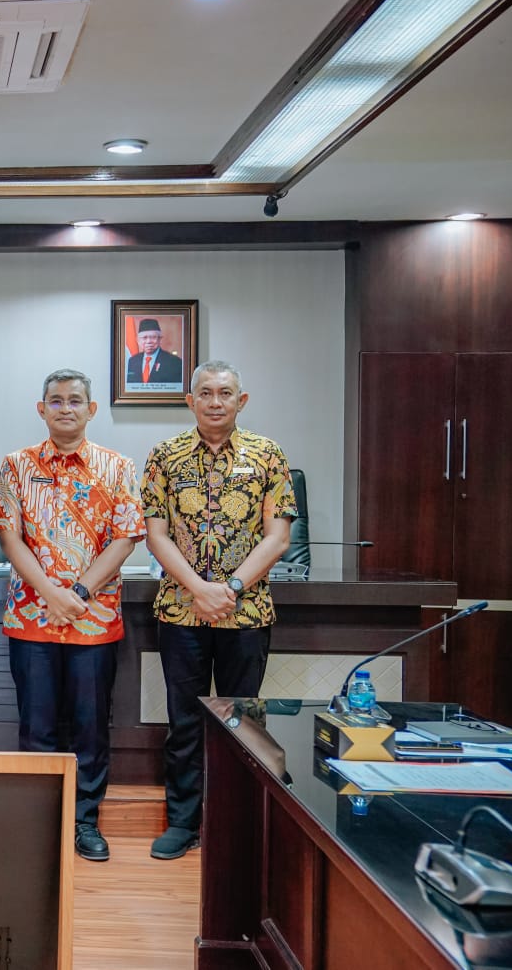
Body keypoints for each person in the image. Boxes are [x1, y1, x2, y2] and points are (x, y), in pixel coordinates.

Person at [142, 360, 297, 860]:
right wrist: (198, 589)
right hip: (180, 612)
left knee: (242, 722)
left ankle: (235, 824)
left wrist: (228, 588)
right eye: (205, 393)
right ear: (190, 401)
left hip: (245, 612)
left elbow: (278, 537)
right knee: (184, 722)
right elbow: (155, 534)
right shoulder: (164, 456)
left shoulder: (268, 455)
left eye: (225, 393)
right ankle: (183, 823)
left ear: (240, 401)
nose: (215, 402)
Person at [0, 369, 144, 862]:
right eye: (55, 400)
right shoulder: (16, 466)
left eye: (75, 400)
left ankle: (84, 821)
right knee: (36, 726)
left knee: (89, 727)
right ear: (41, 409)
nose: (65, 408)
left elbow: (125, 538)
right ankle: (41, 822)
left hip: (93, 618)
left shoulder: (118, 467)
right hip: (32, 618)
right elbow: (9, 538)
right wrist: (49, 593)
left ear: (91, 409)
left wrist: (76, 592)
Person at [125, 318, 184, 385]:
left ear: (160, 339)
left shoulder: (174, 362)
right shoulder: (133, 361)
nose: (149, 341)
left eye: (153, 337)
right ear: (138, 340)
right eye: (144, 338)